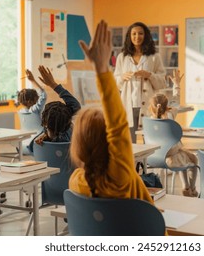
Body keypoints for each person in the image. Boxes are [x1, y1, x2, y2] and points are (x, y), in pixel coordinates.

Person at [68, 20, 153, 205]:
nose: (137, 37)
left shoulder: (75, 181)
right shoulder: (120, 179)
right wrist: (103, 70)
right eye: (133, 34)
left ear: (77, 145)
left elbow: (117, 127)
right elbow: (118, 126)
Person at [148, 70, 198, 197]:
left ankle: (186, 187)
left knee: (182, 154)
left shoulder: (148, 121)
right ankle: (190, 189)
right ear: (167, 107)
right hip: (171, 159)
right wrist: (176, 84)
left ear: (151, 107)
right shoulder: (170, 115)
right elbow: (176, 101)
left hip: (153, 158)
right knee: (192, 158)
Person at [113, 22, 166, 142]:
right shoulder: (122, 57)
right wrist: (122, 77)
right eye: (134, 34)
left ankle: (149, 161)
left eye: (140, 33)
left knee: (150, 140)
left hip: (147, 104)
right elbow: (116, 82)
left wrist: (149, 75)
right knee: (129, 141)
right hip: (128, 104)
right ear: (129, 36)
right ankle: (132, 161)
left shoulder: (154, 56)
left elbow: (162, 80)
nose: (137, 37)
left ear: (145, 35)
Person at [29, 65, 81, 150]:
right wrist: (53, 84)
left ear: (45, 123)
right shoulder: (69, 137)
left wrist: (46, 135)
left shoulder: (38, 143)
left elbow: (31, 148)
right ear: (68, 121)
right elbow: (75, 106)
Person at [18, 68, 47, 154]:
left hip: (24, 142)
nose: (38, 99)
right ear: (30, 101)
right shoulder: (34, 110)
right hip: (37, 141)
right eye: (36, 98)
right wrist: (33, 80)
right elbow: (43, 95)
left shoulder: (21, 112)